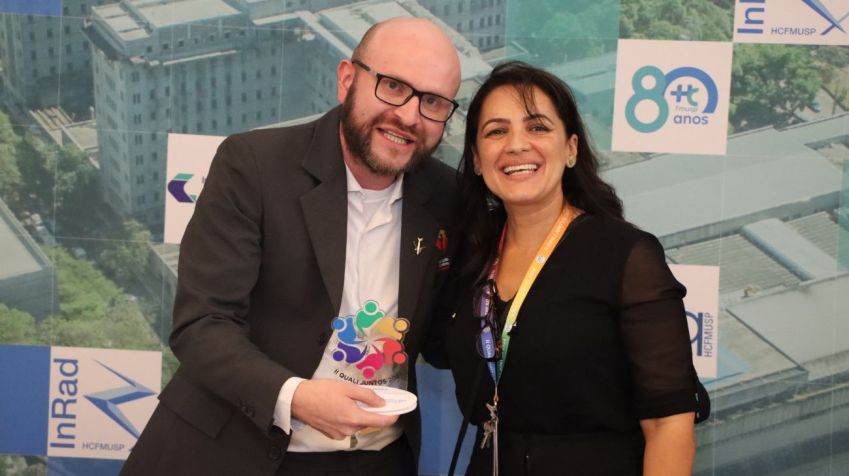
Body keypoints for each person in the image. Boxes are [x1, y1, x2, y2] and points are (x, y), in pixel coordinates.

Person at [120, 17, 462, 476]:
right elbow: (202, 324)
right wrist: (295, 396)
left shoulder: (448, 197)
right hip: (233, 451)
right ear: (347, 79)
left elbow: (445, 339)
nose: (409, 115)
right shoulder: (254, 165)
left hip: (377, 459)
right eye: (393, 86)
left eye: (433, 102)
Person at [439, 61, 700, 475]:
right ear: (476, 158)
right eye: (496, 132)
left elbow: (668, 424)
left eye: (537, 127)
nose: (516, 145)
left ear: (572, 148)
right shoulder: (471, 257)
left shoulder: (625, 256)